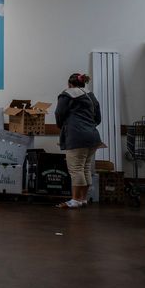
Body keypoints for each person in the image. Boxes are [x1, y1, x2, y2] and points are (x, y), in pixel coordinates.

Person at [54, 73, 102, 209]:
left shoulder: (67, 94)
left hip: (76, 137)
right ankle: (83, 199)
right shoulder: (90, 95)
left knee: (75, 169)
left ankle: (75, 200)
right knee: (85, 167)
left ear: (70, 84)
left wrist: (63, 126)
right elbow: (98, 118)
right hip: (93, 136)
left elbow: (59, 113)